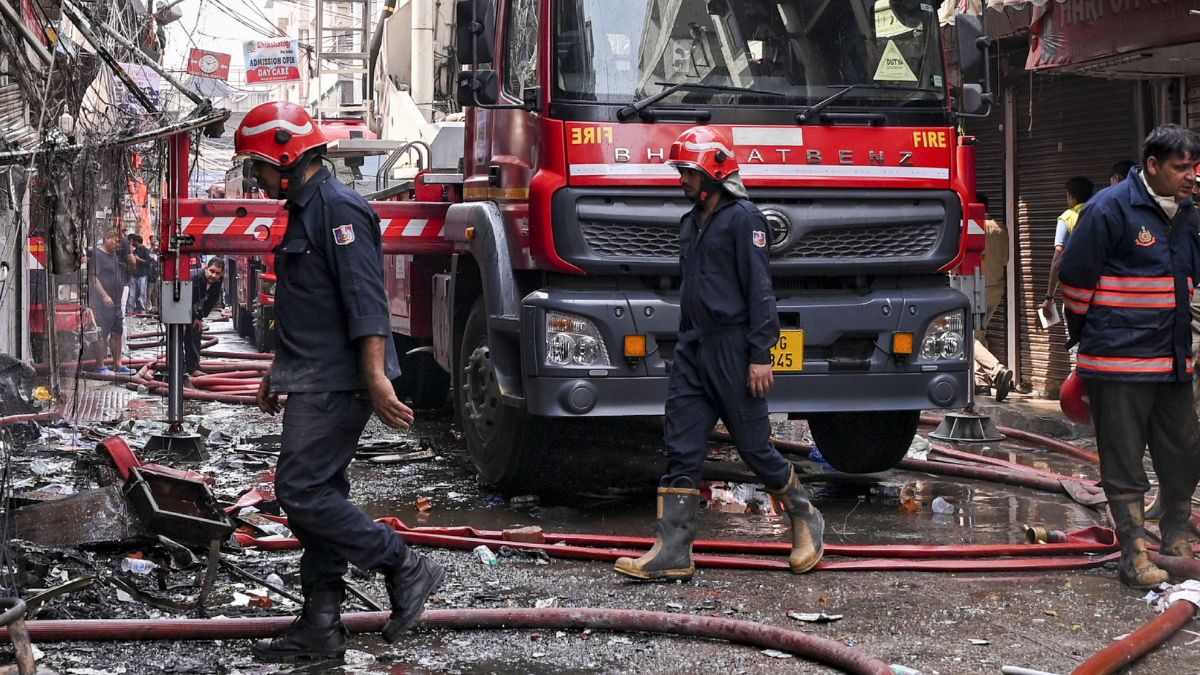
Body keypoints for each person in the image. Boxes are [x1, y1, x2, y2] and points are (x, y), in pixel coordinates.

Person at [235, 101, 443, 661]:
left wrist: (375, 377)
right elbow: (308, 303)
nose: (255, 178)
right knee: (320, 494)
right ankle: (321, 625)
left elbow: (365, 299)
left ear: (286, 157)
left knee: (300, 492)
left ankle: (406, 565)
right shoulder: (306, 210)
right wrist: (279, 369)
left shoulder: (339, 208)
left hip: (338, 380)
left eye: (258, 165)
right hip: (312, 374)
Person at [613, 126, 824, 581]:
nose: (683, 179)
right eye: (682, 171)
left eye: (689, 172)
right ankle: (674, 551)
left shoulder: (744, 219)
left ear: (713, 173)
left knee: (754, 448)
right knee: (681, 446)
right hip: (694, 347)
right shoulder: (690, 223)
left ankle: (805, 517)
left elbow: (760, 290)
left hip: (734, 347)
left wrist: (760, 353)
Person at [1058, 123, 1200, 589]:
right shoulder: (1110, 208)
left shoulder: (1188, 214)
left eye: (1195, 168)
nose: (1191, 176)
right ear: (1153, 165)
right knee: (1124, 461)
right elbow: (1075, 280)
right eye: (1181, 168)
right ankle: (1134, 555)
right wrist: (1099, 337)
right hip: (1119, 363)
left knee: (1183, 453)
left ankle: (1176, 540)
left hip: (1173, 362)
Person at [972, 193, 1013, 401]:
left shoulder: (971, 226)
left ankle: (997, 371)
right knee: (979, 334)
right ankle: (981, 383)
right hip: (996, 288)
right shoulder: (1001, 228)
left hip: (974, 287)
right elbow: (1005, 259)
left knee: (967, 337)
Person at [1042, 176, 1094, 319]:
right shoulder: (1103, 213)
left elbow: (1057, 260)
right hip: (1104, 294)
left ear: (1072, 198)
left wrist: (1049, 297)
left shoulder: (1067, 218)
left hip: (1077, 294)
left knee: (1076, 332)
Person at [88, 229, 131, 375]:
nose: (118, 245)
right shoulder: (97, 255)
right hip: (102, 304)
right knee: (102, 333)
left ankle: (117, 363)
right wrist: (104, 296)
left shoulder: (114, 256)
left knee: (117, 332)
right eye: (116, 241)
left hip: (116, 303)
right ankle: (100, 365)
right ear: (107, 238)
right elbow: (94, 278)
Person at [183, 258, 225, 377]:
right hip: (178, 306)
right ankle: (177, 368)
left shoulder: (218, 281)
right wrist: (183, 321)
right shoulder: (194, 278)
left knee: (195, 332)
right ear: (206, 267)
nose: (214, 275)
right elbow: (184, 300)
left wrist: (199, 317)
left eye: (217, 273)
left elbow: (212, 300)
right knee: (179, 336)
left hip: (191, 306)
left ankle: (193, 368)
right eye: (212, 271)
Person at [125, 234, 150, 313]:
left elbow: (148, 262)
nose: (132, 243)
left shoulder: (145, 250)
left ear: (137, 241)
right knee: (132, 293)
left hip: (142, 274)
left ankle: (143, 310)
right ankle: (130, 309)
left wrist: (139, 259)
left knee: (142, 293)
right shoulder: (135, 251)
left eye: (134, 241)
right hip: (134, 274)